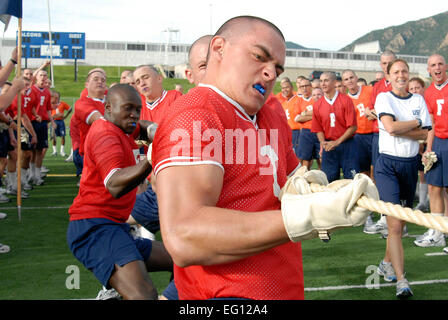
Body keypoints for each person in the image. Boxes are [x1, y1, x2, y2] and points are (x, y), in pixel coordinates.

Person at [152, 15, 376, 300]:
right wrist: (311, 213)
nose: (271, 73)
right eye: (259, 57)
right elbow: (185, 236)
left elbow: (287, 181)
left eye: (277, 69)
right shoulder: (195, 113)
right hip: (228, 295)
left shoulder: (269, 113)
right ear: (218, 48)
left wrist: (313, 187)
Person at [67, 84, 173, 300]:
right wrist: (151, 160)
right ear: (108, 108)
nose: (133, 115)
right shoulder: (105, 134)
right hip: (94, 229)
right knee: (143, 295)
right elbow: (114, 184)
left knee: (183, 258)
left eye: (137, 109)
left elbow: (140, 127)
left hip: (114, 227)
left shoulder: (120, 126)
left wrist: (157, 132)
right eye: (127, 109)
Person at [374, 58, 431, 298]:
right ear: (388, 77)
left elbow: (426, 133)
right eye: (396, 71)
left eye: (404, 71)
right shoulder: (383, 98)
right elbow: (391, 128)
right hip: (387, 165)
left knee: (401, 223)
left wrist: (408, 127)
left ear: (409, 74)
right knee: (395, 225)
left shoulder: (418, 99)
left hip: (409, 166)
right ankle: (401, 280)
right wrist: (416, 124)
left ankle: (387, 262)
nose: (401, 75)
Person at [414, 54, 448, 250]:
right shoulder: (428, 94)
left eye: (440, 64)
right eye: (433, 65)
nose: (437, 68)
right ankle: (437, 233)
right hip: (438, 143)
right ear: (428, 69)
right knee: (434, 187)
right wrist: (428, 149)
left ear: (446, 67)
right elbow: (431, 124)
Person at [364, 50, 397, 234]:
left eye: (390, 62)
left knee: (395, 176)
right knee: (379, 175)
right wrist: (381, 117)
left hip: (395, 135)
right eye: (384, 63)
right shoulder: (377, 86)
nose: (386, 66)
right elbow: (370, 111)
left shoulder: (400, 84)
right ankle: (385, 215)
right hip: (378, 135)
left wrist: (381, 117)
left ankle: (397, 218)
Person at [311, 71, 359, 183]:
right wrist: (323, 143)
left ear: (334, 83)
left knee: (352, 180)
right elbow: (318, 128)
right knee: (329, 181)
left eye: (326, 80)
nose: (323, 84)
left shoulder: (346, 100)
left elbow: (353, 127)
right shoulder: (318, 104)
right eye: (321, 81)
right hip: (329, 147)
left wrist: (337, 142)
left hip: (347, 145)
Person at [342, 69, 375, 178]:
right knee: (363, 169)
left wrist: (373, 112)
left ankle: (377, 192)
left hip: (374, 134)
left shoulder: (370, 90)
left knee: (376, 167)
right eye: (346, 79)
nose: (350, 81)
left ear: (356, 78)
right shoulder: (345, 100)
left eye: (351, 77)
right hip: (358, 137)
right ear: (344, 83)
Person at [29, 70, 56, 186]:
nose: (43, 77)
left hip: (43, 123)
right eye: (41, 75)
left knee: (40, 149)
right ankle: (29, 173)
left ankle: (36, 175)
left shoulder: (47, 92)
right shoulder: (31, 89)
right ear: (36, 77)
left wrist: (52, 121)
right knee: (30, 150)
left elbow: (48, 108)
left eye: (45, 75)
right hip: (31, 122)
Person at [408, 77, 430, 212]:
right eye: (411, 88)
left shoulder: (427, 103)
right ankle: (422, 202)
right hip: (412, 142)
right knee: (418, 173)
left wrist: (424, 141)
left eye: (417, 88)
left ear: (423, 88)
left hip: (428, 141)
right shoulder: (408, 103)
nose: (414, 91)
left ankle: (425, 202)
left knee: (427, 173)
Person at [295, 78, 320, 169]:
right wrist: (314, 115)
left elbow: (321, 113)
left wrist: (305, 114)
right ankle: (305, 180)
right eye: (302, 86)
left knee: (320, 159)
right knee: (305, 160)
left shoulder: (316, 97)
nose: (304, 88)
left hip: (319, 131)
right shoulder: (298, 101)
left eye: (306, 86)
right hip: (305, 132)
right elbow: (297, 118)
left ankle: (322, 180)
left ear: (311, 87)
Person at [50, 90, 72, 157]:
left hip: (61, 122)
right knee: (54, 136)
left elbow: (70, 109)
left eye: (57, 97)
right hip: (54, 121)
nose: (56, 98)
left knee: (63, 136)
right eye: (55, 97)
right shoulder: (51, 104)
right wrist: (53, 116)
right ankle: (54, 151)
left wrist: (65, 116)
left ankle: (62, 151)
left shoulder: (62, 103)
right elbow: (48, 112)